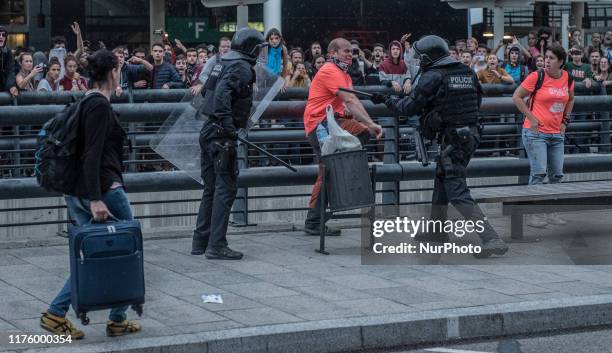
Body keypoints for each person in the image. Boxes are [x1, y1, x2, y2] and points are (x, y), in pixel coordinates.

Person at [375, 35, 508, 258]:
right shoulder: (466, 72)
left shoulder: (433, 76)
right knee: (442, 179)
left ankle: (491, 238)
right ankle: (436, 232)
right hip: (470, 135)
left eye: (420, 57)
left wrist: (386, 100)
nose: (418, 61)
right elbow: (476, 103)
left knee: (456, 189)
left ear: (430, 57)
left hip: (453, 139)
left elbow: (407, 107)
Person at [40, 49, 142, 339]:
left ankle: (59, 314)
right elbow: (92, 155)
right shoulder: (98, 105)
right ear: (113, 73)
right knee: (128, 249)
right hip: (102, 190)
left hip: (78, 191)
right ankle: (114, 318)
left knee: (95, 255)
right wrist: (96, 198)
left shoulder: (87, 99)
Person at [191, 28, 266, 260]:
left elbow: (207, 93)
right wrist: (228, 126)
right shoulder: (241, 67)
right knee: (225, 189)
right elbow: (222, 94)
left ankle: (200, 242)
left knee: (211, 188)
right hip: (222, 136)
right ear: (252, 48)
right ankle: (216, 245)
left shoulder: (221, 62)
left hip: (209, 131)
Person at [302, 37, 383, 236]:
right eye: (345, 51)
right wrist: (370, 124)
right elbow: (350, 99)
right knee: (360, 135)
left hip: (327, 123)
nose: (350, 54)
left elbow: (348, 104)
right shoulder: (330, 70)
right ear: (333, 54)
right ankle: (314, 220)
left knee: (328, 173)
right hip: (321, 124)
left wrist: (365, 122)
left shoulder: (343, 73)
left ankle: (314, 221)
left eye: (352, 51)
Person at [512, 45, 575, 228]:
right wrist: (531, 118)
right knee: (539, 173)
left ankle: (551, 213)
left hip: (557, 133)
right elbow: (516, 97)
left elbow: (571, 99)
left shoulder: (567, 78)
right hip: (535, 134)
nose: (547, 61)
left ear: (561, 62)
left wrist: (565, 122)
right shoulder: (536, 76)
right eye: (546, 57)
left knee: (556, 175)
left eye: (552, 58)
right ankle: (533, 215)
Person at [0, 26, 17, 97]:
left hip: (3, 88)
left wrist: (11, 86)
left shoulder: (7, 52)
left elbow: (10, 70)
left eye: (3, 35)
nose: (1, 37)